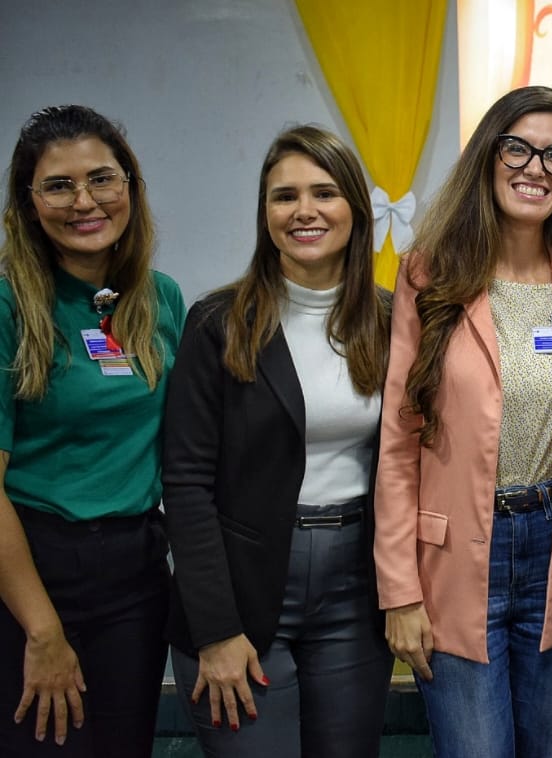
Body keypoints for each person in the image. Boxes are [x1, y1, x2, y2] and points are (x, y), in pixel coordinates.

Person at [375, 85, 552, 757]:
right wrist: (399, 592)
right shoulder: (429, 277)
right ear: (487, 155)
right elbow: (398, 444)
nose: (536, 168)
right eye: (518, 148)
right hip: (453, 561)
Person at [163, 125, 392, 757]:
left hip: (355, 589)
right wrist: (214, 630)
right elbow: (185, 484)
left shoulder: (392, 320)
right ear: (265, 214)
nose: (304, 211)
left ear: (355, 208)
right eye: (284, 196)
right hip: (240, 590)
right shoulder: (218, 323)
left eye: (324, 193)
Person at [0, 105, 185, 756]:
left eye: (102, 179)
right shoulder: (9, 304)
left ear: (130, 186)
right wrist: (42, 630)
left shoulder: (160, 298)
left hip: (135, 574)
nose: (84, 201)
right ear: (29, 204)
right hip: (31, 576)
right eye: (58, 185)